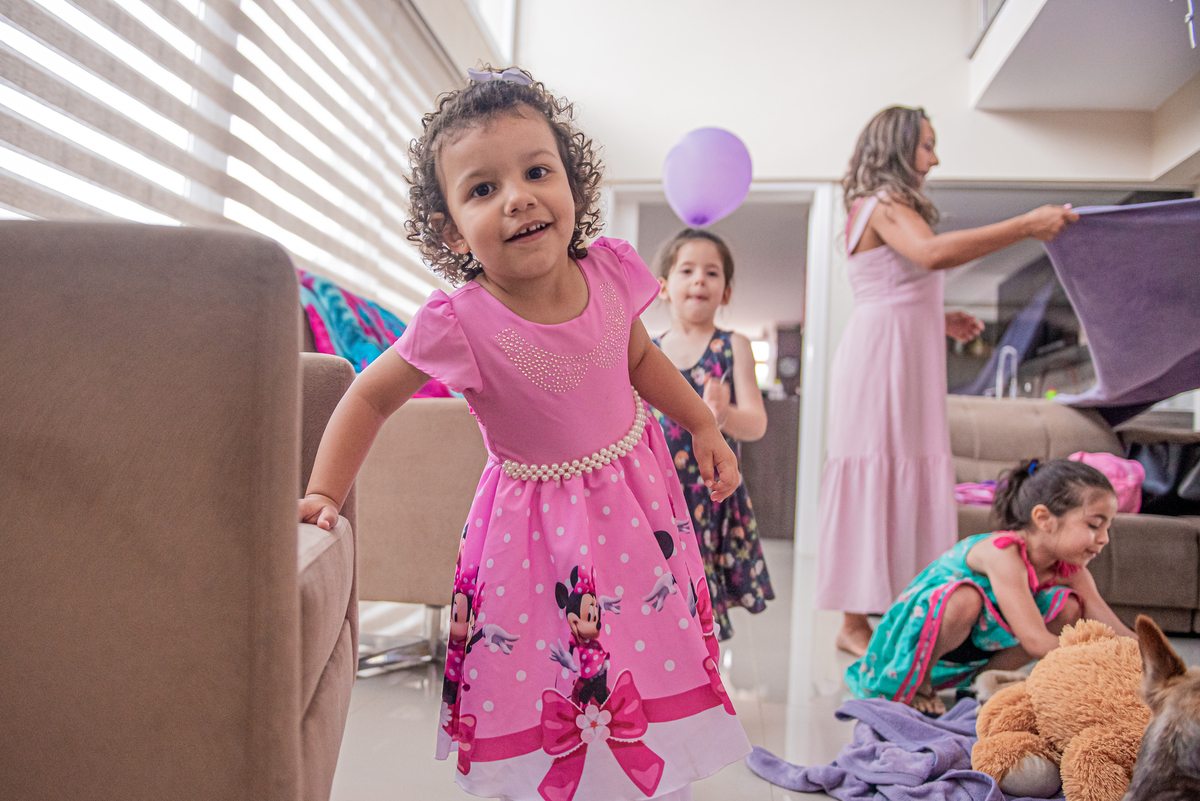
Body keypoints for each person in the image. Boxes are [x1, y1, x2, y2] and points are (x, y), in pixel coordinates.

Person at [299, 67, 750, 801]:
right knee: (542, 672)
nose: (517, 197)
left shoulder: (609, 274)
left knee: (640, 655)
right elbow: (370, 397)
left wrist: (700, 420)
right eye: (482, 189)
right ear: (451, 228)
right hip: (531, 537)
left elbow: (639, 357)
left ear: (571, 185)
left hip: (635, 514)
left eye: (537, 171)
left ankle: (639, 777)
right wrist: (324, 490)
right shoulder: (460, 321)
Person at [818, 105, 1080, 657]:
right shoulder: (882, 203)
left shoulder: (883, 208)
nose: (934, 158)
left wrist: (939, 320)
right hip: (881, 358)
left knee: (904, 467)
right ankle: (852, 622)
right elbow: (931, 254)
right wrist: (1027, 226)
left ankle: (899, 608)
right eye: (927, 145)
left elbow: (892, 283)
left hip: (899, 350)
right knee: (877, 467)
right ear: (897, 146)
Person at [845, 458, 1134, 714]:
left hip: (980, 645)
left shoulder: (1072, 571)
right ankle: (920, 682)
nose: (1104, 538)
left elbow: (1114, 628)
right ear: (1044, 519)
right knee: (966, 598)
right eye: (1095, 525)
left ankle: (978, 685)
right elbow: (1035, 641)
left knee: (1070, 606)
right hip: (920, 635)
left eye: (1108, 527)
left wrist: (1154, 657)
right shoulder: (1003, 554)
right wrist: (1099, 665)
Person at [651, 229, 775, 642]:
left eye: (711, 272)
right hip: (655, 494)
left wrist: (722, 416)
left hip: (709, 494)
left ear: (726, 291)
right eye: (687, 270)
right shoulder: (646, 352)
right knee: (656, 592)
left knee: (699, 596)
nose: (699, 280)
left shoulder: (732, 345)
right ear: (664, 287)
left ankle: (702, 679)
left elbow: (756, 423)